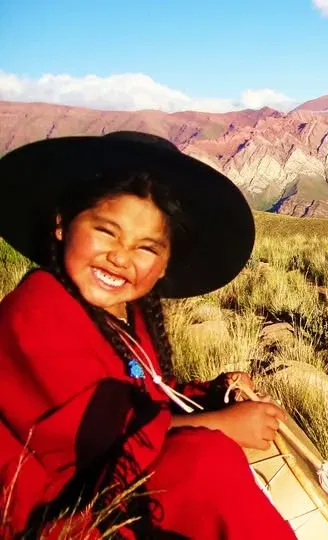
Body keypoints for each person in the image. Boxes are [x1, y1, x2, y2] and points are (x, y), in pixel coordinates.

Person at [0, 132, 298, 538]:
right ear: (61, 224)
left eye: (146, 248)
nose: (121, 257)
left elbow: (143, 395)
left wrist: (210, 395)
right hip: (63, 514)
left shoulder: (126, 316)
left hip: (114, 495)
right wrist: (220, 426)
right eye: (106, 231)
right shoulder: (35, 310)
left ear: (164, 264)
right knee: (202, 461)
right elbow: (97, 443)